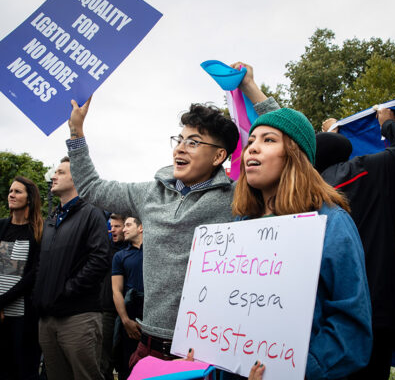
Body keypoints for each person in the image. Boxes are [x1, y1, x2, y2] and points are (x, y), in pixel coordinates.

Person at [65, 94, 281, 364]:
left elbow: (289, 152)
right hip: (149, 346)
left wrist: (250, 88)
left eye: (193, 142)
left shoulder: (238, 197)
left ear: (218, 156)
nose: (180, 148)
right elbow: (90, 187)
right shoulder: (148, 194)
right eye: (179, 140)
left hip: (205, 352)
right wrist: (76, 132)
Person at [229, 62, 372, 379]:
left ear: (294, 154)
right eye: (251, 140)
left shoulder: (331, 224)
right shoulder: (239, 226)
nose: (253, 147)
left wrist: (289, 371)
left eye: (268, 140)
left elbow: (351, 330)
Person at [315, 112, 395, 380]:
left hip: (325, 325)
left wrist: (332, 136)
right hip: (376, 314)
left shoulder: (297, 193)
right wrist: (387, 124)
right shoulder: (370, 170)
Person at [33, 157, 110, 380]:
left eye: (60, 172)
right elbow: (42, 262)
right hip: (47, 317)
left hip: (78, 317)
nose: (53, 176)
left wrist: (66, 290)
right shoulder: (52, 217)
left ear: (76, 177)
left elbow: (99, 259)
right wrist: (40, 294)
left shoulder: (92, 213)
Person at [0, 176, 43, 380]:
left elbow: (33, 275)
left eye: (18, 191)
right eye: (10, 191)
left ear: (30, 198)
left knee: (23, 370)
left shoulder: (38, 232)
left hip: (23, 316)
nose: (11, 194)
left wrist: (2, 302)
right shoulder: (1, 226)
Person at [112, 217, 144, 379]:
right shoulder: (120, 256)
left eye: (128, 225)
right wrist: (125, 321)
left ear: (141, 228)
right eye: (123, 226)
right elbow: (116, 290)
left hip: (152, 315)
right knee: (129, 366)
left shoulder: (155, 251)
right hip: (130, 316)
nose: (124, 229)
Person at [101, 213, 128, 380]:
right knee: (104, 359)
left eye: (117, 226)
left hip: (128, 312)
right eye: (110, 226)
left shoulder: (133, 251)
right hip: (106, 310)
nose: (112, 230)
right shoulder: (103, 248)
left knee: (125, 359)